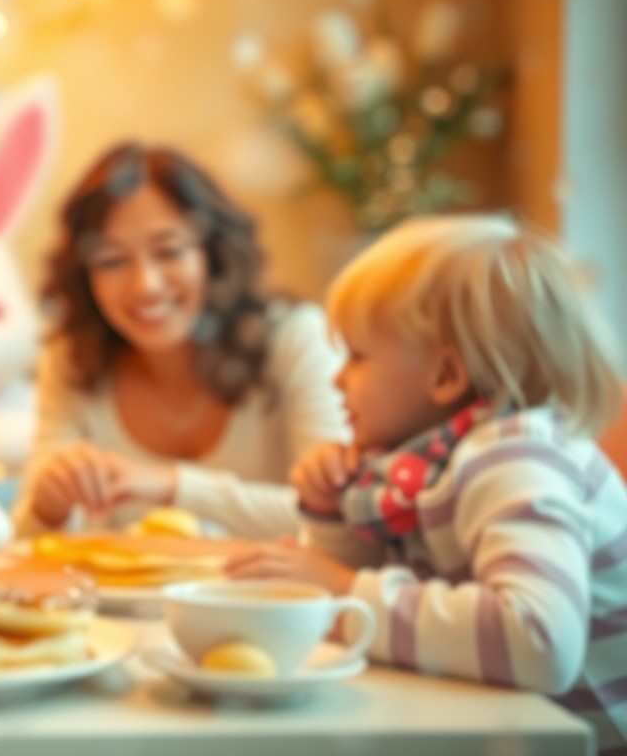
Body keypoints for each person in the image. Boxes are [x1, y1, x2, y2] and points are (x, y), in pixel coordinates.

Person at [226, 215, 627, 753]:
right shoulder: (430, 462)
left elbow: (539, 641)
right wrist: (330, 517)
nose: (337, 379)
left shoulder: (516, 457)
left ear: (446, 376)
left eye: (357, 356)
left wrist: (345, 593)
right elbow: (397, 589)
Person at [16, 142, 348, 539]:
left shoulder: (293, 337)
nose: (146, 286)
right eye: (111, 261)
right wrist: (49, 503)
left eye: (169, 251)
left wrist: (174, 486)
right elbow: (25, 541)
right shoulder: (71, 357)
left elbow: (341, 522)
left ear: (213, 252)